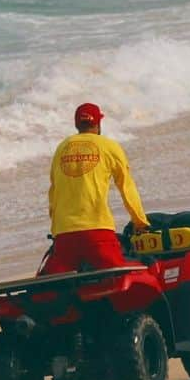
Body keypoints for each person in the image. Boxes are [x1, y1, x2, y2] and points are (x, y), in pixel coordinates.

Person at [41, 102, 150, 277]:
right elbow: (126, 187)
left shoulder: (62, 148)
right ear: (98, 124)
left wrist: (57, 232)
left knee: (53, 289)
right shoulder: (109, 146)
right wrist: (140, 222)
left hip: (64, 235)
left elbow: (53, 194)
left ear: (76, 124)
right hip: (98, 232)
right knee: (123, 278)